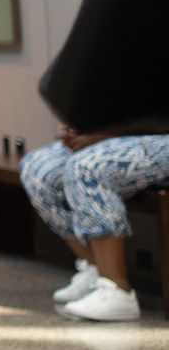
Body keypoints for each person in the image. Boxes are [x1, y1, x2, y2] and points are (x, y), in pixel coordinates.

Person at [21, 127, 169, 321]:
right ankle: (96, 268)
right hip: (126, 131)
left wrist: (108, 136)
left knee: (87, 166)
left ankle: (117, 290)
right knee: (38, 168)